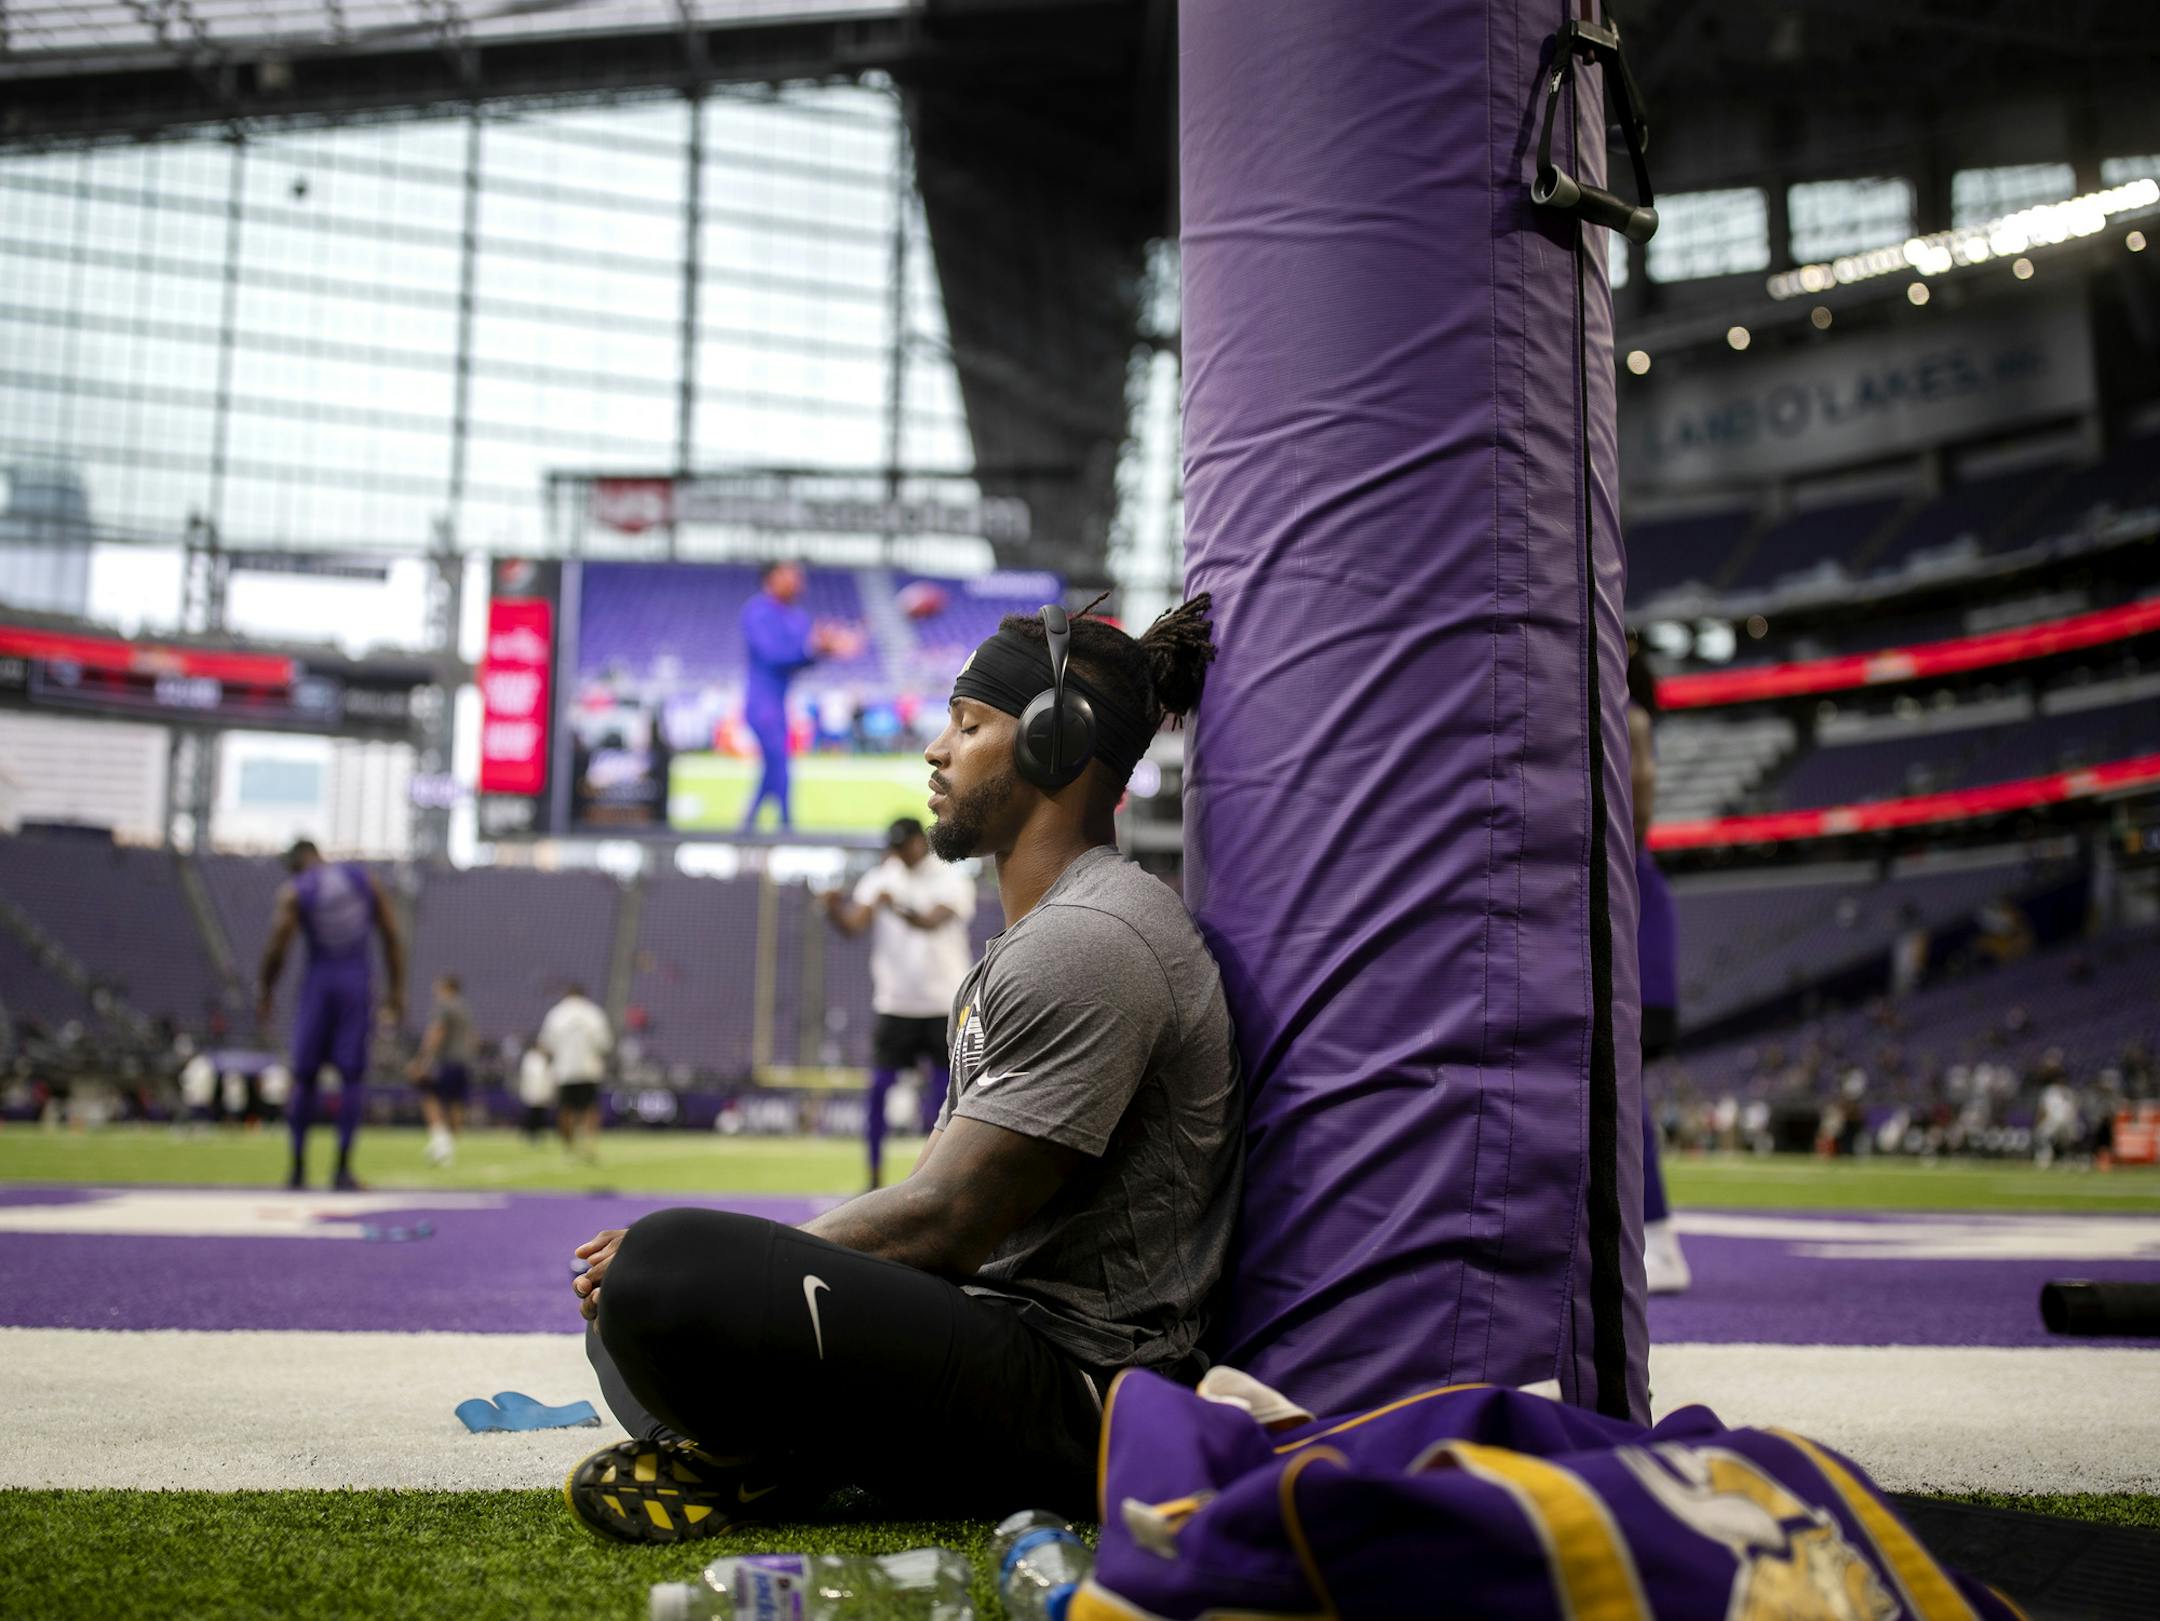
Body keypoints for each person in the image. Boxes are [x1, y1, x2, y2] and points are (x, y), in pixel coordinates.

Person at [562, 594, 1239, 1542]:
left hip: (1086, 1390)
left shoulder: (1095, 940)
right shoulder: (1035, 940)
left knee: (668, 1268)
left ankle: (769, 1453)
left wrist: (754, 1275)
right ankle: (777, 1458)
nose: (936, 749)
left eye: (967, 725)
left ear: (1054, 741)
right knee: (622, 1317)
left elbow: (949, 1218)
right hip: (988, 1337)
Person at [819, 817, 977, 1188]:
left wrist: (897, 905)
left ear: (920, 842)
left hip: (944, 1004)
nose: (898, 854)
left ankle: (942, 1180)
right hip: (895, 1003)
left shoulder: (950, 876)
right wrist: (831, 909)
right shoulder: (881, 876)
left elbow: (931, 921)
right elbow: (854, 926)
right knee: (878, 1089)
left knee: (945, 1096)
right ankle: (873, 1179)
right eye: (893, 847)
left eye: (903, 845)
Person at [257, 840, 404, 1191]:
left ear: (296, 864)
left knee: (304, 1077)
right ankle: (342, 1170)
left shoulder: (297, 890)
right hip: (356, 982)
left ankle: (297, 1169)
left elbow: (279, 943)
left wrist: (266, 990)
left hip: (320, 982)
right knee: (352, 1078)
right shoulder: (363, 881)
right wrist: (397, 990)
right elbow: (392, 936)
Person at [1628, 649, 1690, 1295]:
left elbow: (1634, 819)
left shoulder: (1626, 717)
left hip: (1632, 917)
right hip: (1628, 908)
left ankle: (1658, 1235)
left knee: (1621, 1085)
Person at [739, 561, 863, 832]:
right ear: (771, 577)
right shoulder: (757, 611)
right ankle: (786, 828)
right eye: (791, 575)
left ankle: (748, 826)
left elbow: (802, 656)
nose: (799, 581)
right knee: (780, 766)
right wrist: (815, 647)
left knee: (775, 766)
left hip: (779, 703)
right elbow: (774, 656)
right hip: (761, 703)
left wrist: (827, 648)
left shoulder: (797, 617)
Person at [407, 973, 474, 1167]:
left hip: (446, 1061)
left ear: (447, 988)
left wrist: (421, 1060)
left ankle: (440, 1141)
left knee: (429, 1096)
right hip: (462, 1061)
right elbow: (472, 1038)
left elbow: (437, 1032)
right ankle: (448, 1150)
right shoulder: (464, 1009)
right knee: (455, 1103)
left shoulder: (444, 1006)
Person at [538, 983, 611, 1160]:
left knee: (566, 1109)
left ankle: (569, 1149)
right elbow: (604, 1044)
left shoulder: (556, 1014)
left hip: (564, 1070)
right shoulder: (593, 1013)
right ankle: (589, 1146)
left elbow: (546, 1046)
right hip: (589, 1069)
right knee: (590, 1109)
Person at [517, 1041, 556, 1143]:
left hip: (542, 1091)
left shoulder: (545, 1059)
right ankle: (529, 1133)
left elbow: (548, 1076)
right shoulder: (530, 1058)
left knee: (540, 1114)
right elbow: (528, 1076)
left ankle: (538, 1134)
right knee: (532, 1113)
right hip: (532, 1090)